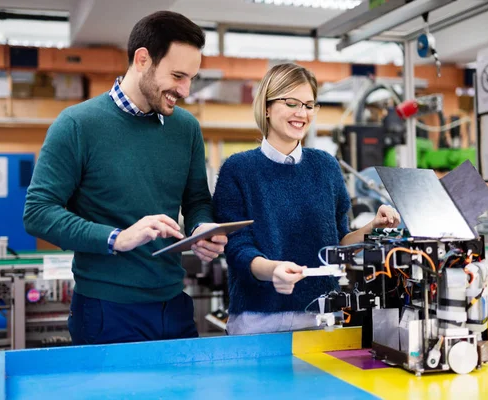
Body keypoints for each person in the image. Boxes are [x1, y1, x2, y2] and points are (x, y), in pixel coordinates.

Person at [23, 11, 227, 345]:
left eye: (191, 77)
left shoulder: (186, 128)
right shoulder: (77, 125)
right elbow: (38, 212)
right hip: (106, 309)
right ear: (142, 59)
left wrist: (202, 228)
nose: (186, 90)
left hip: (174, 304)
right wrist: (116, 238)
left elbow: (196, 202)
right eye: (177, 75)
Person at [212, 63, 400, 335]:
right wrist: (272, 270)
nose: (302, 113)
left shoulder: (325, 166)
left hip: (321, 316)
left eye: (309, 105)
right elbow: (238, 250)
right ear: (266, 106)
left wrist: (372, 228)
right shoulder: (238, 169)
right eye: (291, 103)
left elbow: (339, 241)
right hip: (259, 319)